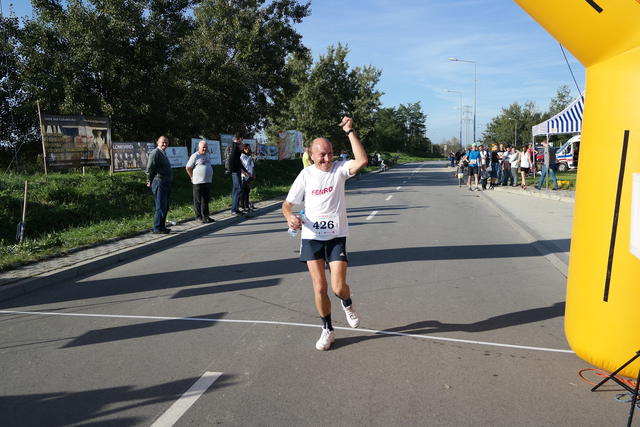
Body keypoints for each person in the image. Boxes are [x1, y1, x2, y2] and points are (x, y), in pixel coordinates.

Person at [282, 116, 368, 351]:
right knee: (320, 287)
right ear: (311, 155)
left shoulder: (340, 169)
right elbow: (287, 204)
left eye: (330, 153)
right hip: (311, 237)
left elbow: (362, 160)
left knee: (338, 288)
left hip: (336, 236)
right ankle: (327, 330)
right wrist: (289, 216)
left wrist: (350, 131)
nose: (327, 159)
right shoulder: (306, 175)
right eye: (322, 155)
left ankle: (347, 303)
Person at [146, 136, 172, 234]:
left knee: (165, 206)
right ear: (158, 142)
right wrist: (149, 179)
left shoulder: (163, 152)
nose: (165, 144)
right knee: (160, 206)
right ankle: (157, 228)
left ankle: (162, 227)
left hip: (166, 182)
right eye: (163, 142)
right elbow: (149, 168)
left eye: (166, 142)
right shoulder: (155, 153)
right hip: (159, 182)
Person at [186, 140, 214, 223]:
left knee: (205, 200)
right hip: (197, 182)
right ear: (199, 147)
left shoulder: (207, 155)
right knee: (198, 200)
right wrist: (192, 177)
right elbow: (188, 167)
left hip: (207, 181)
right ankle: (198, 217)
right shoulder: (195, 156)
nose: (205, 149)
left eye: (206, 147)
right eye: (203, 147)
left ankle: (206, 216)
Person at [229, 133, 249, 215]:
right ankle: (234, 209)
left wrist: (244, 170)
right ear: (239, 139)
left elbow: (238, 161)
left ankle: (235, 209)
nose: (242, 142)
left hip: (237, 170)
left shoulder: (236, 147)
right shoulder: (234, 146)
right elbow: (232, 159)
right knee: (238, 189)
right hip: (235, 171)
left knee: (236, 189)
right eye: (242, 140)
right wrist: (231, 170)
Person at [240, 143, 256, 212]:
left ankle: (247, 206)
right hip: (244, 176)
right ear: (243, 149)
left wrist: (253, 174)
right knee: (243, 191)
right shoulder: (242, 156)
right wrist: (244, 173)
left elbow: (252, 166)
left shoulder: (249, 156)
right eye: (246, 148)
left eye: (248, 148)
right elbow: (241, 166)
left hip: (250, 175)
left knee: (247, 191)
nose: (247, 149)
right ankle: (242, 206)